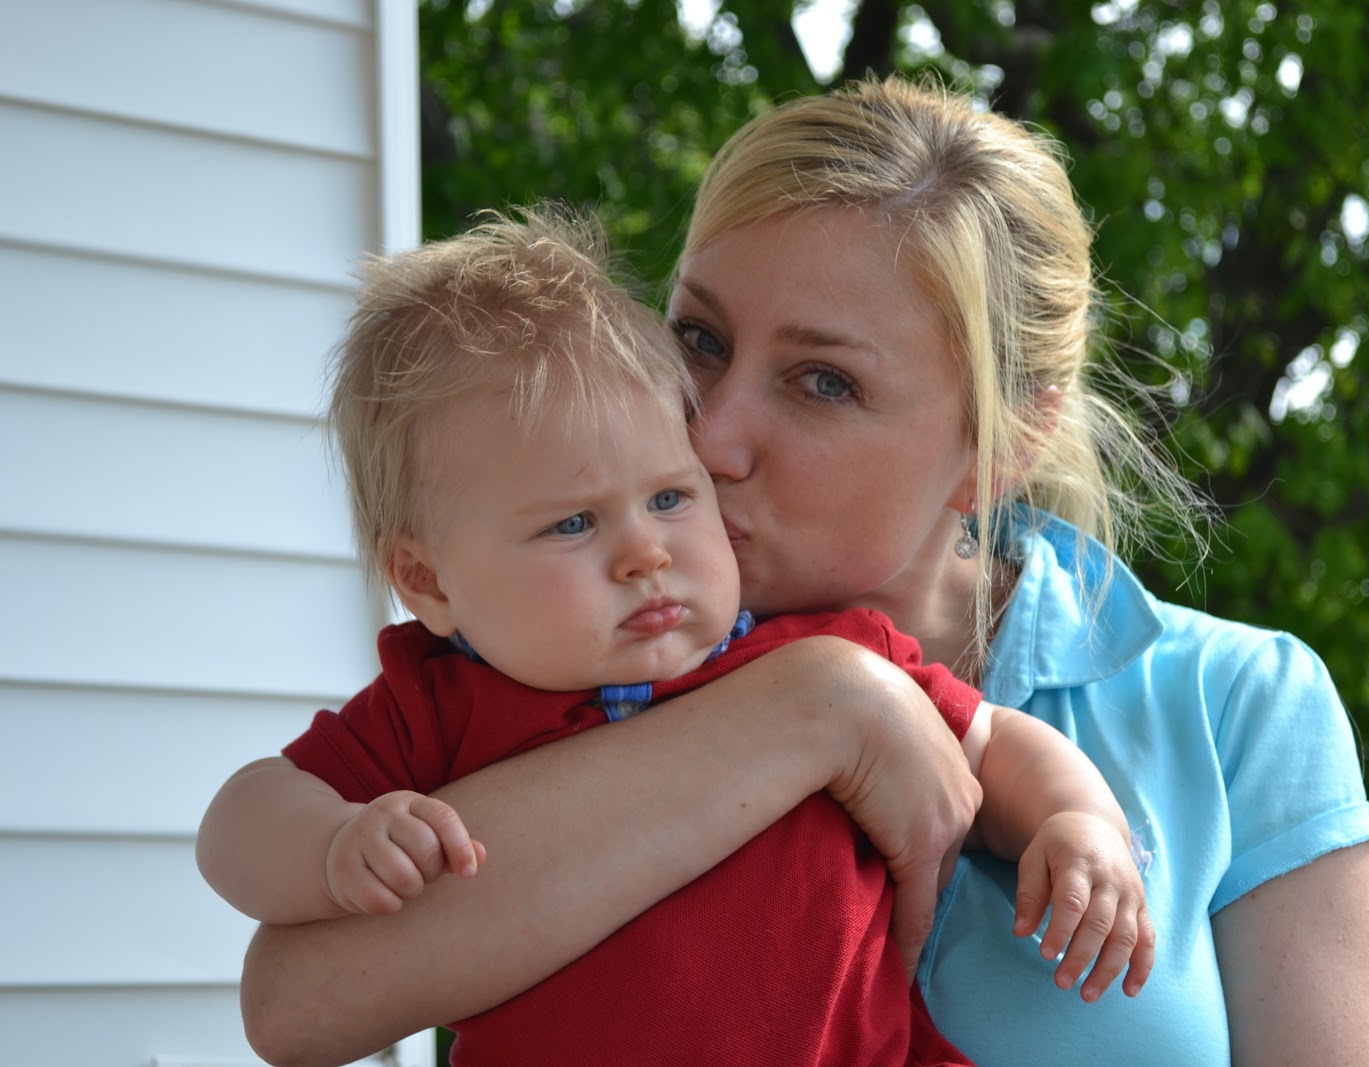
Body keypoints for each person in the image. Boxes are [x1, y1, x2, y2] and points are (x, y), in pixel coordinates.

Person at [232, 76, 1369, 1067]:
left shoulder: (1238, 705)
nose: (713, 430)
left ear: (1001, 444)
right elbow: (292, 1003)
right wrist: (820, 704)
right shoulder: (557, 651)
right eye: (699, 338)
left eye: (823, 381)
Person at [196, 206, 1154, 1065]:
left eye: (669, 497)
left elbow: (1000, 746)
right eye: (573, 523)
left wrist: (1080, 824)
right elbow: (240, 818)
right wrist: (331, 845)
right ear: (427, 580)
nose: (645, 554)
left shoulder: (822, 648)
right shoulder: (436, 704)